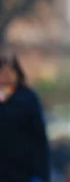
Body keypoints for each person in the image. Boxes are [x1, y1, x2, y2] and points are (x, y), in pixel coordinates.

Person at [0, 50, 50, 182]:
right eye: (2, 71)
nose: (6, 76)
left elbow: (39, 137)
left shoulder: (27, 98)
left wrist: (41, 174)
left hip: (23, 171)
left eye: (10, 71)